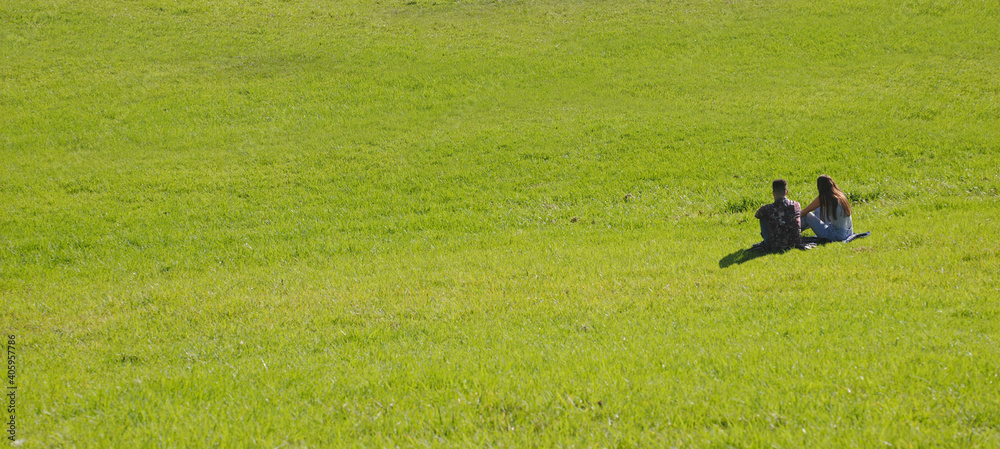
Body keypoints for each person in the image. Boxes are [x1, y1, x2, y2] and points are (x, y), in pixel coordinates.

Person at [801, 175, 853, 241]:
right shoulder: (840, 195)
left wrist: (792, 217)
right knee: (818, 210)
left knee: (808, 215)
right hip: (849, 233)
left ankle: (792, 232)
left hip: (836, 235)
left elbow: (804, 212)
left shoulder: (824, 198)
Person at [753, 179, 801, 251]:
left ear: (773, 193)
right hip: (795, 242)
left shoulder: (767, 208)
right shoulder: (796, 205)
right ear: (786, 192)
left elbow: (757, 215)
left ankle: (767, 241)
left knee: (763, 216)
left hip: (775, 245)